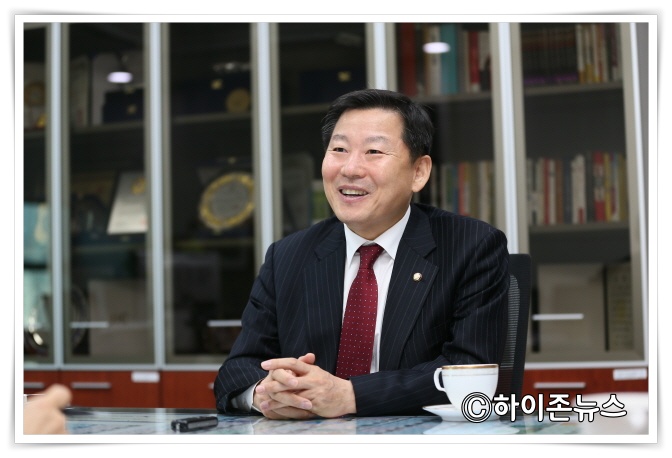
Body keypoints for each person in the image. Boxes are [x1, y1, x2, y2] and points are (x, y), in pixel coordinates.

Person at [214, 88, 509, 419]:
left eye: (374, 151)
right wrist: (266, 394)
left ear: (419, 172)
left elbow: (468, 371)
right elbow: (237, 370)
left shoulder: (471, 246)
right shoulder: (288, 256)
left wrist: (350, 396)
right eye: (339, 149)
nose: (351, 168)